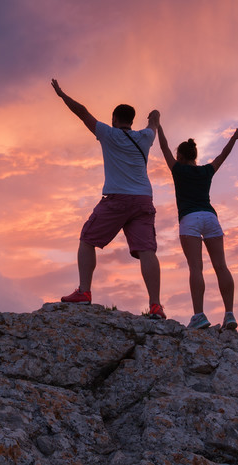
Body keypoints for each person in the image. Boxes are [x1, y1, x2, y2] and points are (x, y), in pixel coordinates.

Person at [51, 79, 166, 319]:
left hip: (117, 199)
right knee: (147, 251)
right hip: (144, 199)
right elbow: (154, 121)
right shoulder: (145, 137)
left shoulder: (107, 133)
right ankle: (155, 305)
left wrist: (62, 95)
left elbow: (82, 113)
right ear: (131, 121)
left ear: (114, 119)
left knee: (87, 238)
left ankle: (84, 292)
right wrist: (154, 114)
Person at [156, 118, 238, 330]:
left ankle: (199, 315)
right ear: (195, 156)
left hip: (189, 219)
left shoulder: (177, 169)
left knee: (196, 268)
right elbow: (222, 156)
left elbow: (162, 147)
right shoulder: (207, 170)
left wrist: (159, 125)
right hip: (210, 217)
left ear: (179, 156)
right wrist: (233, 138)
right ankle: (230, 314)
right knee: (221, 266)